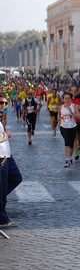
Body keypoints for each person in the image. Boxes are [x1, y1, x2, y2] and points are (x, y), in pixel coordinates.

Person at [0, 94, 23, 228]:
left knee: (16, 178)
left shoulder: (1, 117)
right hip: (1, 158)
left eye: (5, 103)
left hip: (7, 155)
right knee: (1, 190)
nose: (3, 105)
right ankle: (2, 219)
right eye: (1, 103)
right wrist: (6, 135)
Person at [58, 92, 80, 167]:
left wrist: (72, 112)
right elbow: (59, 114)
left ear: (71, 99)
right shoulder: (61, 107)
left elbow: (79, 117)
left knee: (71, 144)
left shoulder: (74, 106)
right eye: (65, 98)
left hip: (73, 127)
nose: (67, 100)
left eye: (68, 98)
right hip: (63, 127)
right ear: (63, 99)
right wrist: (59, 120)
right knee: (67, 141)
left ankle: (70, 158)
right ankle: (67, 159)